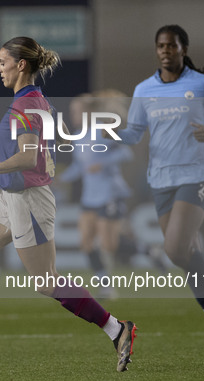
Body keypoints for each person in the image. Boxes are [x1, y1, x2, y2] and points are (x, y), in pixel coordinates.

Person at [0, 37, 137, 372]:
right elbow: (55, 139)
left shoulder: (27, 105)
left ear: (20, 64)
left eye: (3, 62)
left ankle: (117, 329)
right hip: (11, 196)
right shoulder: (36, 101)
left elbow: (27, 157)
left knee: (47, 281)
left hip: (28, 200)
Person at [104, 25, 204, 348]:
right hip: (160, 179)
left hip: (196, 175)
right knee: (185, 255)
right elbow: (135, 133)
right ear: (156, 50)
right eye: (161, 46)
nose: (166, 50)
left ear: (184, 49)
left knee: (176, 249)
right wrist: (108, 133)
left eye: (172, 45)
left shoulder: (202, 83)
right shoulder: (143, 90)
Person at [59, 92, 133, 297]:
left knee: (109, 244)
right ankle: (106, 286)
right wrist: (55, 178)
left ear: (88, 113)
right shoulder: (76, 137)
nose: (72, 114)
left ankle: (147, 252)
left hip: (109, 193)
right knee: (86, 243)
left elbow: (126, 153)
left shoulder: (101, 132)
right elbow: (78, 168)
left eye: (76, 110)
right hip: (89, 197)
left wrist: (102, 163)